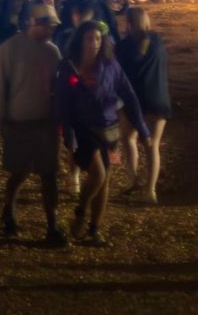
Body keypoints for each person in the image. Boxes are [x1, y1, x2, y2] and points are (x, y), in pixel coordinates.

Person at [54, 20, 148, 247]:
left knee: (105, 181)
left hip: (109, 130)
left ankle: (94, 229)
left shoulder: (111, 65)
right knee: (98, 175)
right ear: (80, 40)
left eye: (97, 39)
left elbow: (129, 95)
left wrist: (142, 129)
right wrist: (67, 134)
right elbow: (62, 103)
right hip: (83, 130)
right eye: (88, 39)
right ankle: (81, 212)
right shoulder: (69, 67)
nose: (93, 44)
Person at [0, 4, 67, 245]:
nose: (50, 30)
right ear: (31, 23)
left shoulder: (53, 52)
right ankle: (9, 209)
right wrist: (0, 115)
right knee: (19, 171)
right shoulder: (9, 49)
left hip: (44, 121)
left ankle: (52, 223)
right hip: (19, 121)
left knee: (48, 174)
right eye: (46, 25)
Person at [116, 7, 172, 203]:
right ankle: (150, 191)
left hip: (133, 101)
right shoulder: (158, 42)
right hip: (157, 98)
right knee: (153, 146)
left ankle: (133, 180)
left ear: (129, 23)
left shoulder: (123, 47)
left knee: (128, 139)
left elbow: (119, 75)